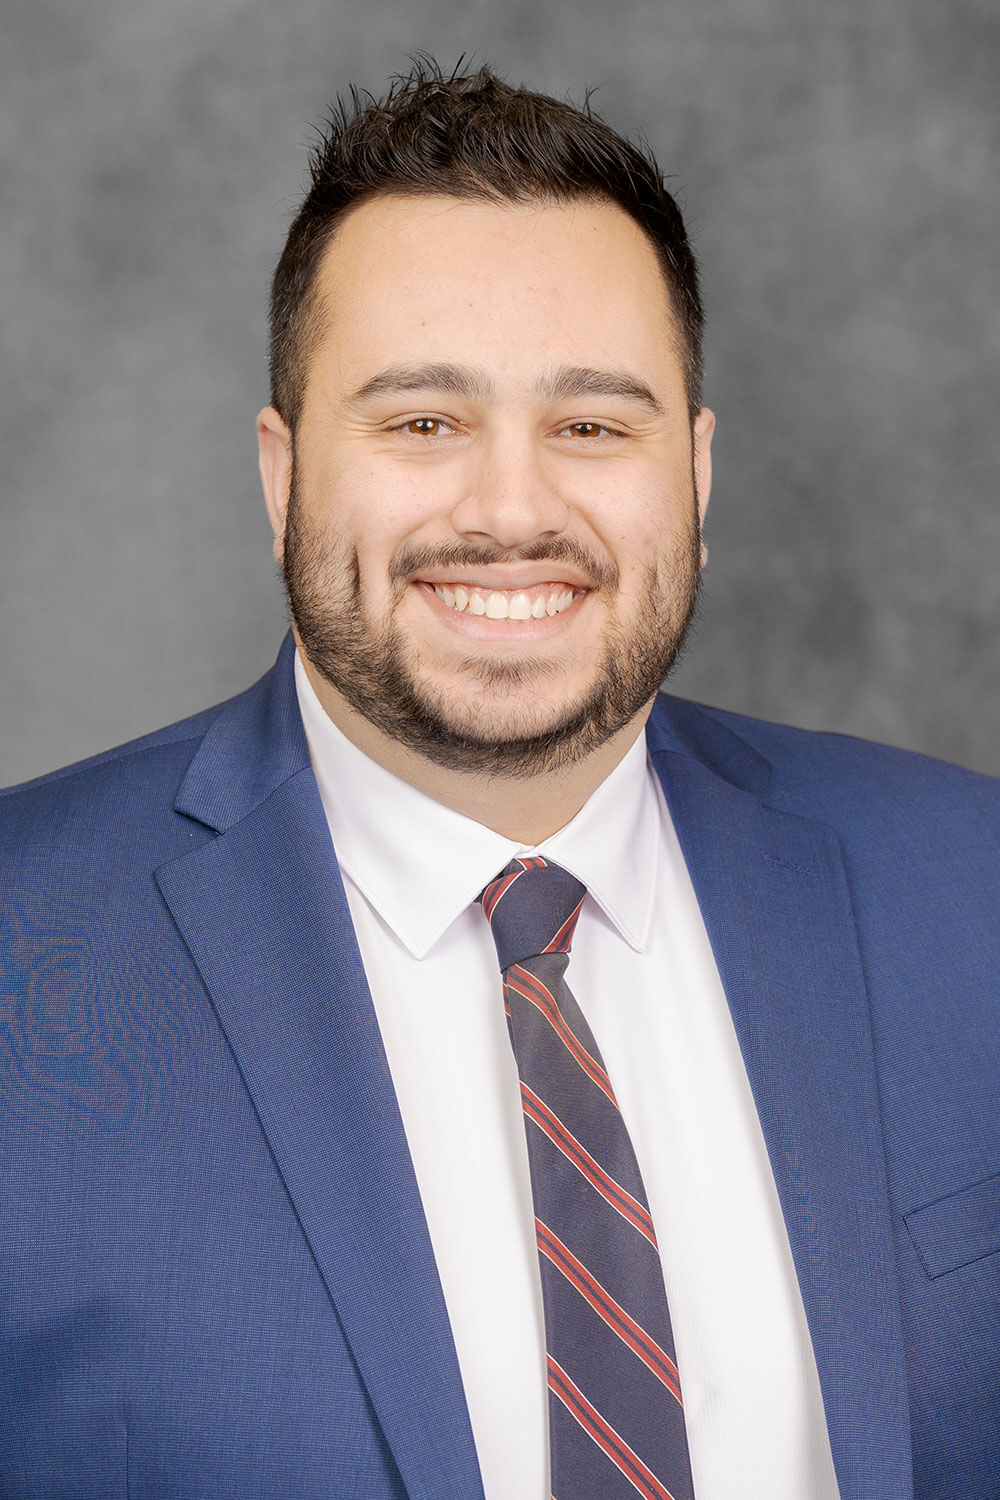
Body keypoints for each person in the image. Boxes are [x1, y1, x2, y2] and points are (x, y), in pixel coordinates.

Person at [1, 60, 998, 1500]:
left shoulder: (972, 888)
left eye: (594, 424)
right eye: (422, 422)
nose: (513, 508)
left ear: (697, 482)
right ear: (281, 481)